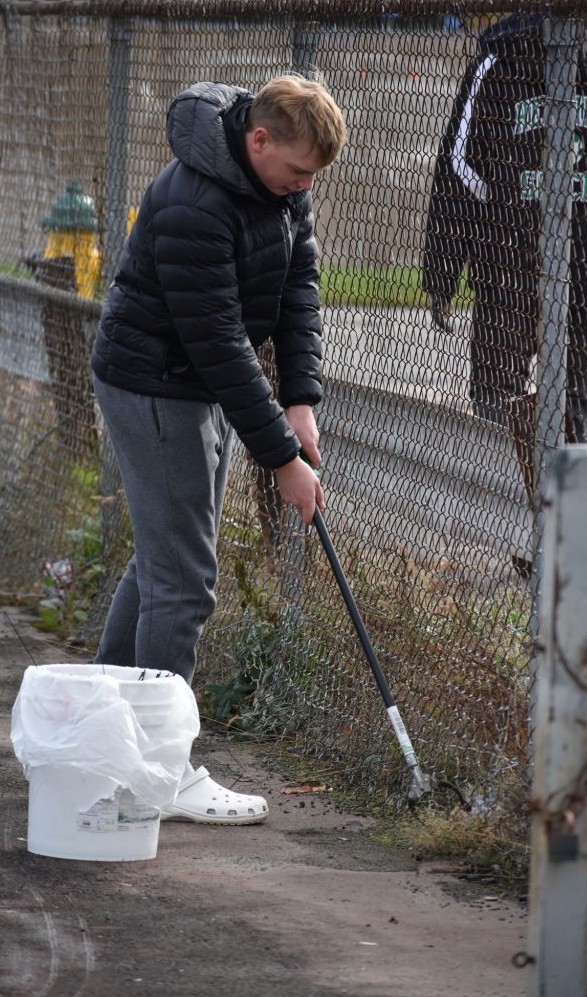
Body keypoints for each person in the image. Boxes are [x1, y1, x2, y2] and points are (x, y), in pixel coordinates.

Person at [91, 75, 347, 823]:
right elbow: (219, 346)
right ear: (258, 139)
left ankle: (103, 738)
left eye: (311, 180)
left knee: (163, 561)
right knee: (185, 581)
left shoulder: (276, 186)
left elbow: (299, 282)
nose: (304, 188)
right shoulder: (194, 204)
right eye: (298, 173)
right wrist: (283, 460)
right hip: (155, 385)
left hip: (189, 383)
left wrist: (301, 400)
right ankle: (156, 774)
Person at [422, 0, 587, 505]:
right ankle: (566, 531)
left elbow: (459, 170)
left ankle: (502, 514)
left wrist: (443, 272)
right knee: (570, 405)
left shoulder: (497, 63)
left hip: (507, 262)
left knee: (497, 396)